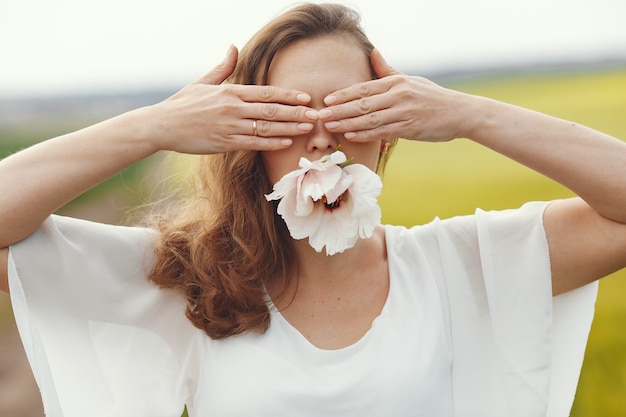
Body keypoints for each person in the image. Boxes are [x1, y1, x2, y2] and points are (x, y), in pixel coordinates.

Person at [1, 3, 625, 416]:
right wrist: (152, 127)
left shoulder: (451, 264)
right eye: (288, 114)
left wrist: (471, 114)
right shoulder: (188, 277)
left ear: (389, 128)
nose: (321, 137)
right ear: (243, 137)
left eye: (352, 109)